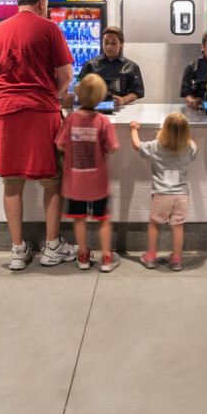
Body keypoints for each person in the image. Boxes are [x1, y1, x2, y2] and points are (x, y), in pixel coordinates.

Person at [0, 0, 79, 271]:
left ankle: (17, 250)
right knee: (52, 180)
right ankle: (51, 247)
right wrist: (50, 92)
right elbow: (66, 74)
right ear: (40, 2)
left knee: (11, 182)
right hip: (41, 111)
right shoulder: (49, 28)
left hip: (7, 113)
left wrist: (10, 91)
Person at [56, 74, 120, 272]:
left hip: (74, 184)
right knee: (103, 220)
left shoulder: (71, 120)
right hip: (97, 184)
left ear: (78, 94)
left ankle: (83, 256)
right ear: (101, 98)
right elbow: (112, 148)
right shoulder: (102, 121)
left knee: (79, 220)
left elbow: (59, 144)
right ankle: (107, 258)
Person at [130, 113, 198, 271]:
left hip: (161, 195)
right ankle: (176, 259)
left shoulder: (156, 145)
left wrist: (134, 130)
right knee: (178, 226)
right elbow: (194, 147)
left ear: (164, 129)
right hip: (181, 195)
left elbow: (137, 146)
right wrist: (185, 136)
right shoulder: (188, 147)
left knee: (154, 224)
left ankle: (151, 257)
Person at [78, 26, 145, 107]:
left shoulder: (131, 66)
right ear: (102, 43)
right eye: (106, 43)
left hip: (121, 108)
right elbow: (79, 86)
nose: (109, 47)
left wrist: (123, 100)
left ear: (121, 44)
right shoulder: (90, 65)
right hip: (94, 108)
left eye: (114, 43)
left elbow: (137, 92)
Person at [179, 29, 207, 109]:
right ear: (203, 47)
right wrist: (193, 102)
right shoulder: (192, 68)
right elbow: (187, 94)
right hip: (199, 110)